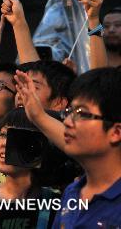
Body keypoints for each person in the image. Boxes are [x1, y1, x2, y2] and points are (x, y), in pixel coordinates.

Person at [15, 67, 121, 228]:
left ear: (116, 132)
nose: (67, 122)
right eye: (69, 112)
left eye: (81, 113)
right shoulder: (72, 192)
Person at [0, 108, 61, 229]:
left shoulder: (57, 203)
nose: (4, 143)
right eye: (3, 135)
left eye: (15, 137)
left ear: (36, 147)